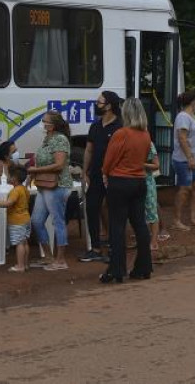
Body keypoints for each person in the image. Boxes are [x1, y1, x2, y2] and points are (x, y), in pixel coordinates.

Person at [100, 98, 153, 283]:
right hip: (139, 181)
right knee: (139, 224)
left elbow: (109, 160)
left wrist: (106, 173)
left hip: (120, 181)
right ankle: (144, 267)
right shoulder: (145, 134)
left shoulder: (121, 133)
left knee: (117, 226)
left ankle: (116, 269)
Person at [79, 91, 122, 263]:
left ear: (109, 105)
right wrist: (84, 172)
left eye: (100, 102)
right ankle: (95, 248)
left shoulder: (120, 127)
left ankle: (114, 248)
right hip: (96, 175)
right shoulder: (95, 126)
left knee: (114, 210)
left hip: (114, 175)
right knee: (91, 208)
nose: (97, 104)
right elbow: (89, 150)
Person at [27, 110, 72, 271]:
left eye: (44, 121)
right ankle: (48, 256)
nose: (42, 124)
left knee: (58, 221)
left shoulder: (59, 139)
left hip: (57, 185)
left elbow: (59, 165)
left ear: (52, 125)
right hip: (44, 185)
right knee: (37, 221)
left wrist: (36, 171)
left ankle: (60, 260)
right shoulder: (48, 138)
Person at [171, 91, 195, 231]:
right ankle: (176, 220)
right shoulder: (183, 116)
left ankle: (192, 218)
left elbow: (192, 136)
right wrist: (190, 157)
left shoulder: (192, 116)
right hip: (184, 159)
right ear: (193, 101)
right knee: (185, 189)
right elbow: (182, 138)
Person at [0, 165, 31, 272]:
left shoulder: (15, 191)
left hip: (17, 221)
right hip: (26, 218)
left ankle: (20, 265)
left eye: (9, 176)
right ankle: (25, 264)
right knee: (24, 242)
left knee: (19, 243)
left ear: (14, 178)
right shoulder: (24, 189)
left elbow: (9, 203)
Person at [144, 142, 161, 252]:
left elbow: (156, 165)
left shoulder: (148, 144)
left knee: (151, 211)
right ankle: (142, 239)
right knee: (136, 214)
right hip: (132, 182)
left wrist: (141, 165)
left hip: (147, 182)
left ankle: (154, 240)